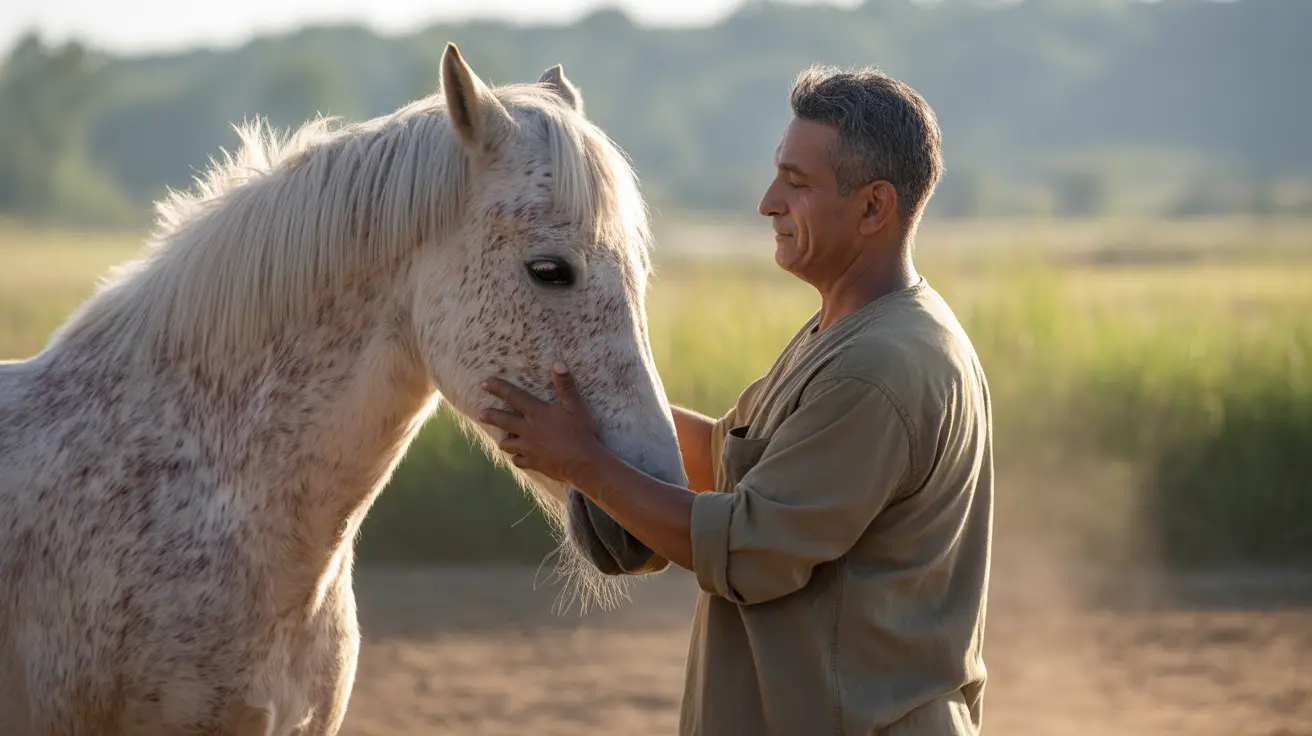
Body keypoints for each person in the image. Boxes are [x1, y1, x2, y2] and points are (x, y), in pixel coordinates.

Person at [480, 64, 993, 736]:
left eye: (797, 183)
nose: (768, 202)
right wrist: (600, 413)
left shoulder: (878, 367)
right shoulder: (848, 332)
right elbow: (727, 455)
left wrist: (582, 462)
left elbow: (749, 550)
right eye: (778, 174)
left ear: (873, 207)